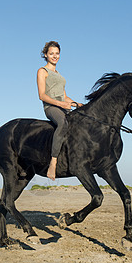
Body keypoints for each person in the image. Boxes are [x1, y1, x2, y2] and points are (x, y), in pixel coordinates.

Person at [37, 41, 82, 181]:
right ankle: (53, 162)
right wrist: (61, 104)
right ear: (46, 55)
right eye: (51, 53)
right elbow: (42, 95)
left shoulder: (59, 75)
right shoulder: (42, 71)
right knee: (63, 123)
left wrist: (76, 104)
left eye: (57, 53)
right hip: (51, 107)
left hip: (62, 104)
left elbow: (64, 96)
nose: (54, 56)